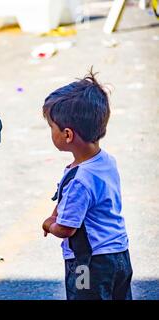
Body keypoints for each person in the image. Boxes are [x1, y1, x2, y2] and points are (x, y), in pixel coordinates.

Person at [41, 70, 133, 300]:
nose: (51, 132)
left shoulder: (79, 181)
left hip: (88, 265)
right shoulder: (105, 161)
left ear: (68, 134)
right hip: (120, 255)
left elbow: (67, 228)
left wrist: (49, 224)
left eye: (51, 127)